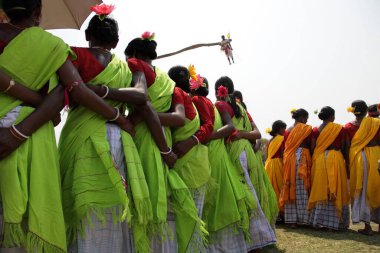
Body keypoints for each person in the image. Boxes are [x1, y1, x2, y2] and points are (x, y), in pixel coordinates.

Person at [0, 1, 130, 252]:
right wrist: (21, 130)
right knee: (25, 225)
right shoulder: (52, 47)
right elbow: (69, 89)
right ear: (38, 13)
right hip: (34, 136)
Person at [58, 10, 175, 252]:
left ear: (88, 34)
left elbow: (68, 92)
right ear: (116, 42)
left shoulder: (74, 56)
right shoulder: (129, 68)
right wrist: (116, 109)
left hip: (82, 135)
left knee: (84, 199)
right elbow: (141, 96)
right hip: (118, 137)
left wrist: (99, 90)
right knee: (114, 202)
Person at [125, 38, 205, 253]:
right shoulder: (166, 81)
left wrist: (142, 117)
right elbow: (178, 119)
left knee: (142, 197)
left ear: (132, 54)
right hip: (165, 140)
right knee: (158, 197)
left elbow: (147, 107)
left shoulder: (135, 67)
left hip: (145, 139)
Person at [188, 71, 248, 252]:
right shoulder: (212, 104)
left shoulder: (201, 103)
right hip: (219, 152)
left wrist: (205, 138)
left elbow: (227, 128)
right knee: (222, 198)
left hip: (212, 152)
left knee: (215, 201)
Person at [215, 76, 276, 252]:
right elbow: (256, 133)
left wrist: (238, 134)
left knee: (242, 196)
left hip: (233, 153)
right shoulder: (241, 107)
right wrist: (242, 134)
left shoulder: (219, 106)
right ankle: (257, 238)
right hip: (247, 153)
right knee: (251, 193)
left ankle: (253, 240)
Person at [166, 65, 211, 253]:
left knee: (183, 218)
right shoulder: (189, 100)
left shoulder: (178, 94)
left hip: (187, 166)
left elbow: (207, 127)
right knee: (192, 216)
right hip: (198, 165)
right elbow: (207, 127)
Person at [232, 90, 279, 227]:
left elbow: (257, 136)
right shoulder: (229, 112)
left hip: (251, 155)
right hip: (247, 153)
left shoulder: (245, 114)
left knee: (256, 190)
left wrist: (242, 136)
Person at [308, 106, 350, 231]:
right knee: (335, 188)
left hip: (320, 159)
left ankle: (319, 221)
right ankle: (334, 224)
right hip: (335, 157)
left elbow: (312, 147)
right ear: (332, 116)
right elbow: (344, 146)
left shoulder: (315, 130)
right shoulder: (339, 128)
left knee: (321, 188)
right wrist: (347, 161)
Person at [345, 100, 380, 235]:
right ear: (366, 111)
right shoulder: (376, 123)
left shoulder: (348, 127)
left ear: (353, 111)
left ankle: (367, 227)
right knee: (376, 188)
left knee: (361, 191)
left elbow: (347, 147)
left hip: (358, 160)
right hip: (376, 156)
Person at [279, 108, 312, 228]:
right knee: (302, 188)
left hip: (289, 159)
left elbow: (284, 148)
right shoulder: (307, 129)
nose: (307, 120)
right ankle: (303, 219)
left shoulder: (287, 130)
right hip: (301, 157)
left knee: (290, 186)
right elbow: (311, 145)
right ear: (302, 117)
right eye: (306, 118)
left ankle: (291, 220)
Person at [265, 120, 287, 222]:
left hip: (268, 165)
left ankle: (274, 214)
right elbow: (283, 153)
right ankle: (280, 213)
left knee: (271, 189)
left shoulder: (269, 141)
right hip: (278, 164)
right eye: (284, 129)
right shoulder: (282, 139)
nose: (285, 131)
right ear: (280, 129)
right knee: (279, 188)